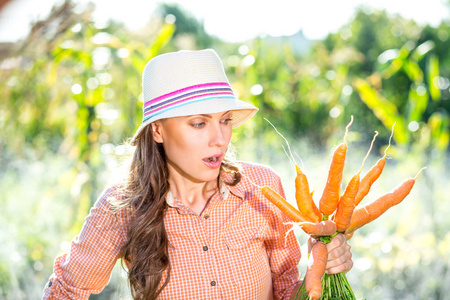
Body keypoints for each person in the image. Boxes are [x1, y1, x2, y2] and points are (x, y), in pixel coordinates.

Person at [42, 49, 353, 300]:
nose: (219, 138)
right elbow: (66, 292)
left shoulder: (262, 188)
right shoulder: (122, 205)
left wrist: (322, 269)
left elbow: (286, 291)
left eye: (226, 120)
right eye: (199, 123)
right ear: (158, 130)